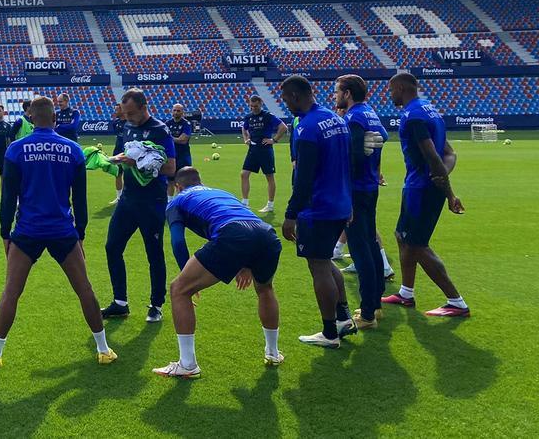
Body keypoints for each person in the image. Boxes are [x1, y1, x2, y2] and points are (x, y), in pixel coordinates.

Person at [0, 96, 115, 368]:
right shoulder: (73, 150)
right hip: (63, 230)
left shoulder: (16, 149)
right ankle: (104, 349)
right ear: (55, 119)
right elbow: (80, 199)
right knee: (84, 289)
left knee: (11, 292)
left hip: (27, 230)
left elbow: (8, 198)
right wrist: (81, 234)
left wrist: (5, 233)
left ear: (30, 119)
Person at [153, 167, 283, 378]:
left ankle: (187, 365)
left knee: (178, 289)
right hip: (266, 234)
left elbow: (178, 242)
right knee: (265, 289)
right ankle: (273, 352)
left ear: (178, 187)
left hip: (233, 234)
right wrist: (246, 264)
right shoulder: (220, 192)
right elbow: (245, 223)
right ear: (201, 181)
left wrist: (186, 279)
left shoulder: (176, 201)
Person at [381, 73, 469, 318]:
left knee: (418, 245)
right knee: (402, 236)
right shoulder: (430, 111)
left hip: (421, 191)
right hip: (420, 186)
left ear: (400, 87)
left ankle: (456, 302)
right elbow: (449, 154)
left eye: (391, 90)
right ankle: (405, 294)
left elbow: (434, 158)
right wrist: (441, 177)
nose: (390, 95)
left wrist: (448, 191)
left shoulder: (413, 117)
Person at [278, 75, 354, 348]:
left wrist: (291, 214)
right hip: (340, 203)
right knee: (325, 260)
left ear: (296, 96)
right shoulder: (336, 120)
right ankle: (344, 317)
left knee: (318, 265)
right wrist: (349, 202)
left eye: (286, 99)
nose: (285, 104)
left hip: (318, 207)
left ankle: (329, 332)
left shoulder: (307, 127)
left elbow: (304, 176)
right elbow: (347, 164)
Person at [101, 88, 177, 323]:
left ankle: (156, 304)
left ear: (144, 107)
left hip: (152, 201)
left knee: (153, 252)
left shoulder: (160, 130)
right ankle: (120, 302)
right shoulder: (126, 126)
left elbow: (170, 168)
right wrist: (107, 161)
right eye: (125, 113)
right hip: (128, 199)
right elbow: (122, 155)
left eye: (131, 113)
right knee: (112, 247)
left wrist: (137, 163)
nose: (128, 117)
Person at [333, 75, 389, 328]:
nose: (335, 96)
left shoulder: (353, 118)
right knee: (369, 243)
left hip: (355, 190)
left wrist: (344, 195)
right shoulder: (370, 113)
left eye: (337, 92)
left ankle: (367, 314)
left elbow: (353, 159)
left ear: (347, 93)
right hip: (370, 187)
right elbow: (383, 137)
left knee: (360, 248)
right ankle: (375, 306)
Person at [240, 95, 287, 213]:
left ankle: (270, 205)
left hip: (265, 150)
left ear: (261, 104)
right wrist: (246, 139)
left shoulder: (268, 116)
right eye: (251, 106)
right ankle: (245, 203)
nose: (253, 108)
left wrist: (274, 140)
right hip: (253, 149)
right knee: (244, 174)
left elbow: (283, 127)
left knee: (269, 176)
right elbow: (244, 128)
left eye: (256, 106)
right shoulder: (248, 117)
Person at [166, 104, 194, 196]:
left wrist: (169, 138)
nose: (176, 112)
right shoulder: (167, 124)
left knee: (184, 181)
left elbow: (183, 140)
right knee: (170, 181)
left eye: (178, 111)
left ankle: (183, 200)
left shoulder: (186, 124)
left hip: (183, 157)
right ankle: (169, 203)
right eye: (174, 110)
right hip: (171, 156)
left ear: (183, 112)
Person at [110, 104, 127, 204]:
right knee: (117, 174)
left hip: (127, 151)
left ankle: (128, 196)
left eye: (117, 110)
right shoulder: (116, 123)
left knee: (129, 175)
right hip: (117, 150)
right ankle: (119, 197)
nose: (115, 112)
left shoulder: (129, 123)